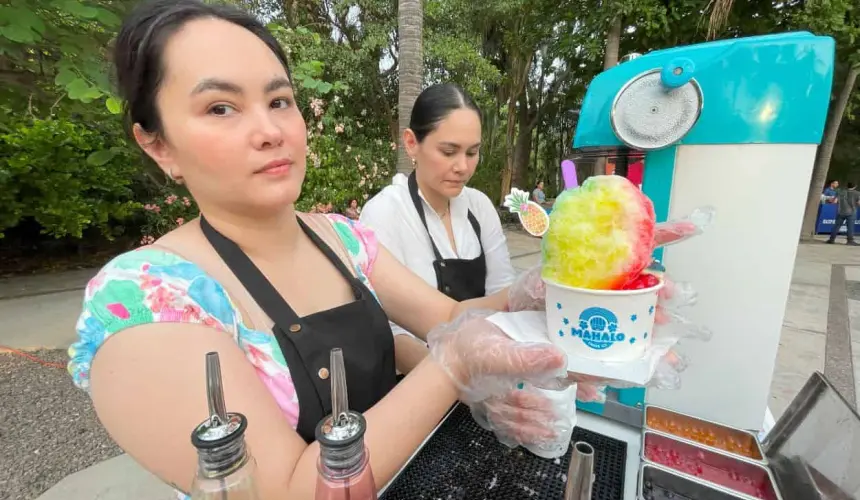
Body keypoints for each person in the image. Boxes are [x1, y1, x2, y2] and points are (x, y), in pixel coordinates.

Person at [66, 2, 569, 499]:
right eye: (220, 107)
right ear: (159, 145)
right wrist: (453, 367)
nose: (270, 131)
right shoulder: (148, 299)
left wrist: (536, 292)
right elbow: (289, 491)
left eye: (279, 101)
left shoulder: (341, 239)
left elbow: (451, 316)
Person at [360, 84, 516, 368]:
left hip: (482, 365)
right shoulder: (385, 213)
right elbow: (389, 333)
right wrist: (456, 384)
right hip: (414, 381)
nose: (463, 167)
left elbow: (502, 295)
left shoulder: (479, 207)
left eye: (472, 153)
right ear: (411, 143)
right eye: (448, 151)